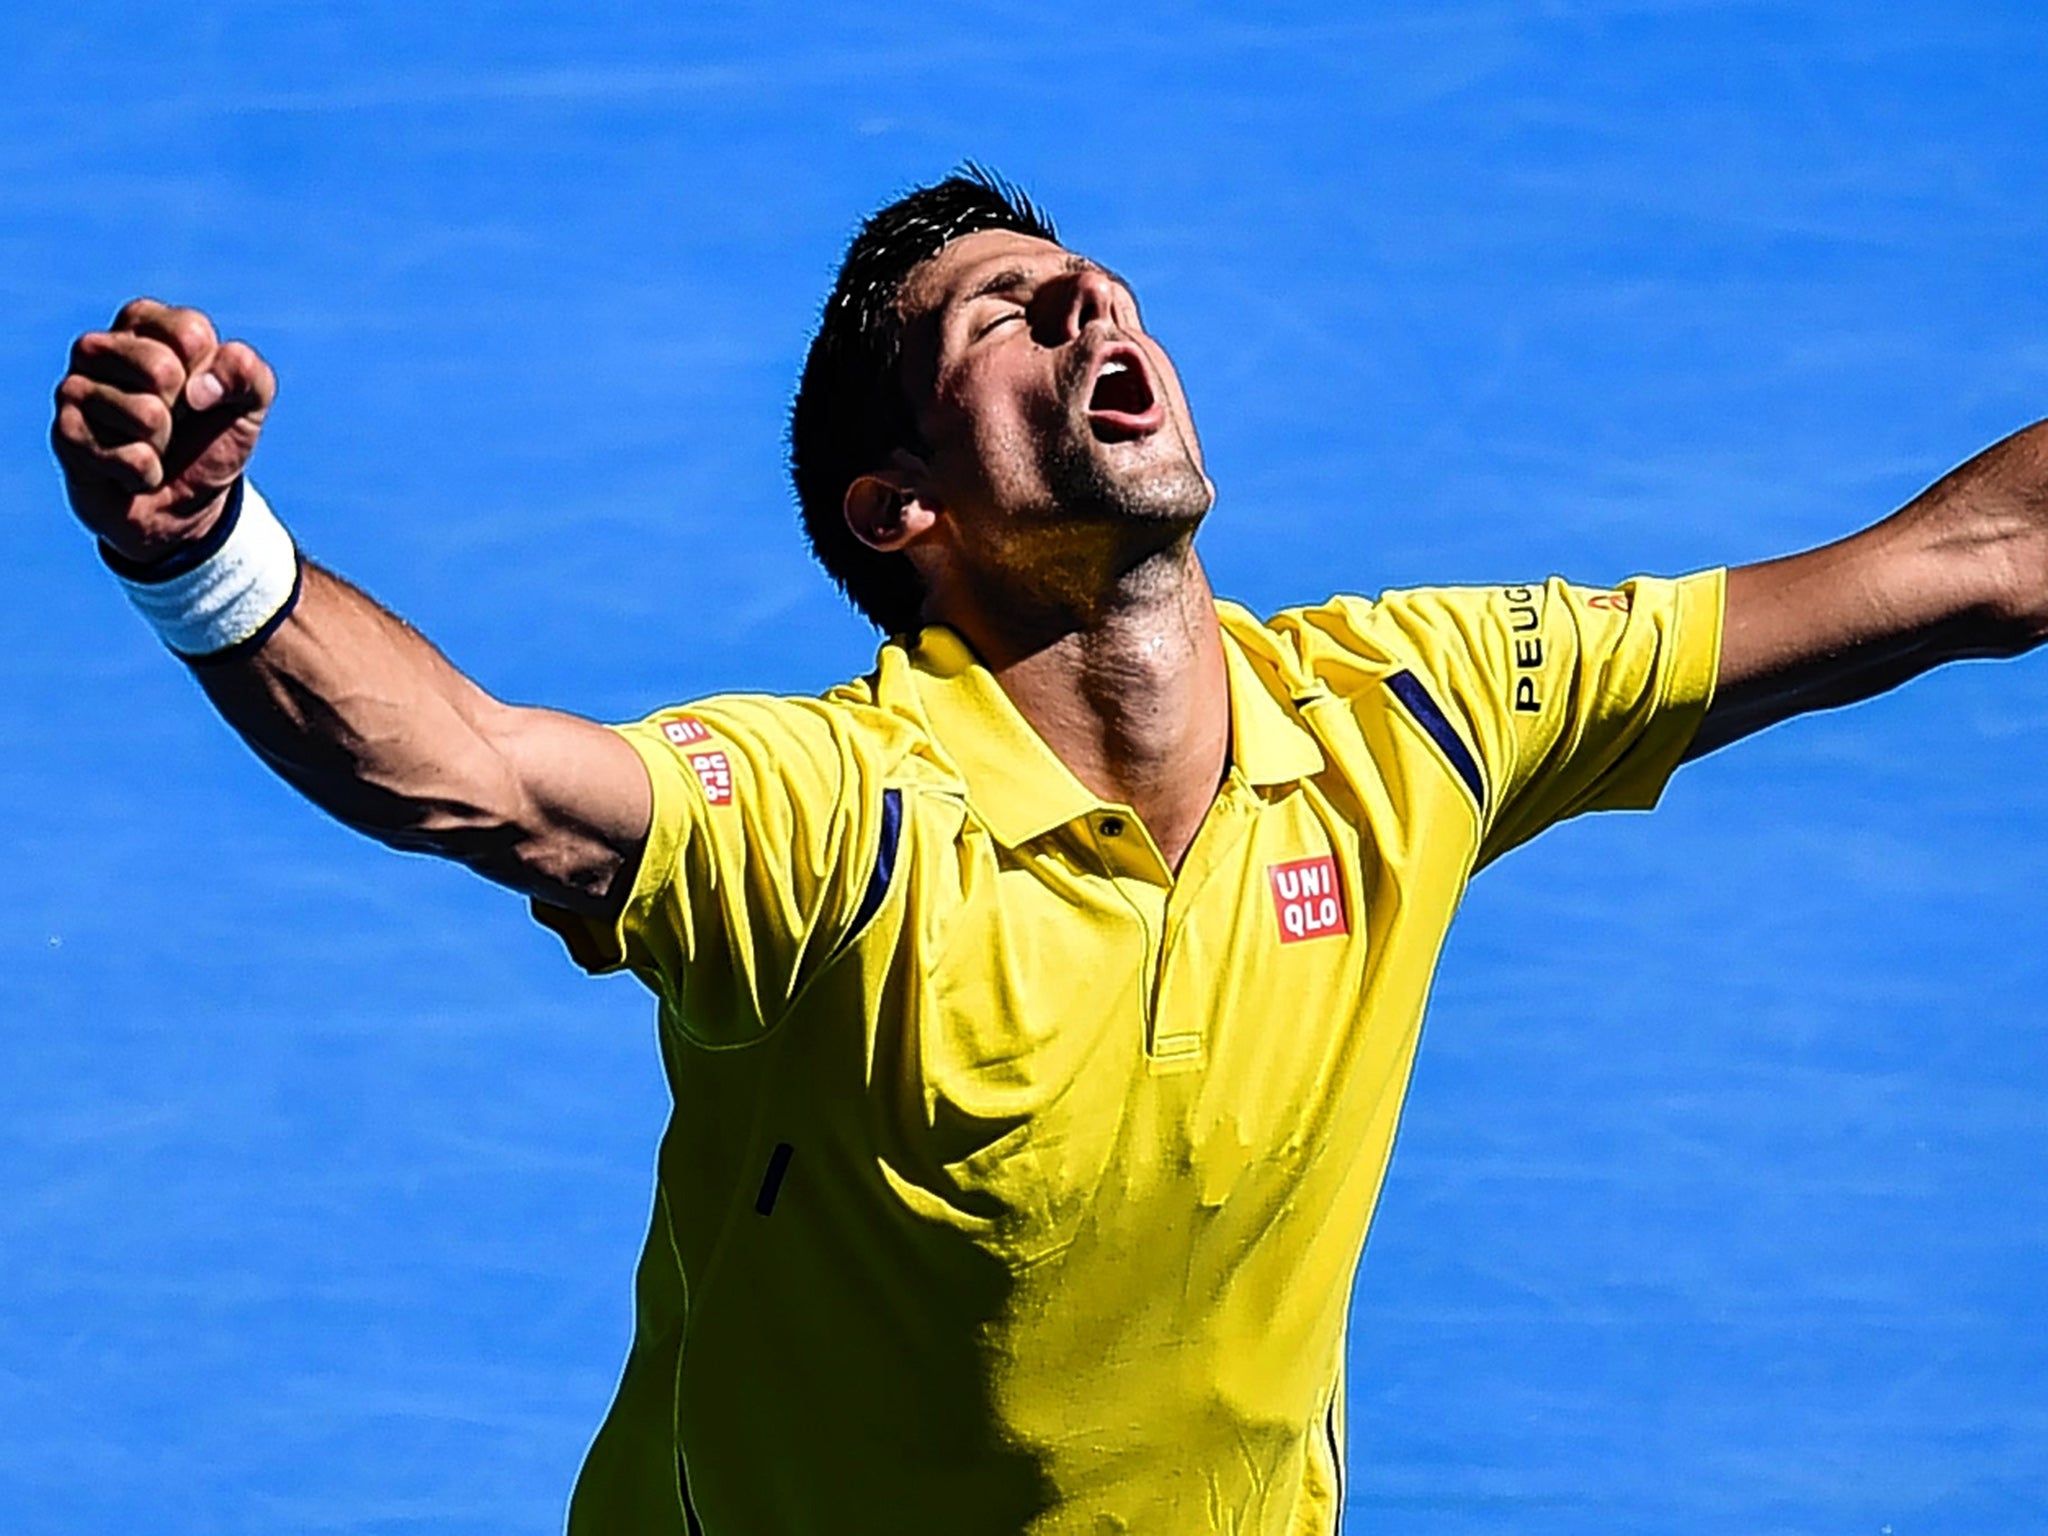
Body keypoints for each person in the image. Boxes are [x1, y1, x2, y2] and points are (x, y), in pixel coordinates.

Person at [49, 168, 2048, 1535]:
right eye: (1006, 313)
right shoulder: (842, 823)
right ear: (899, 506)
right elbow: (476, 773)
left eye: (1098, 283)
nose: (1093, 296)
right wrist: (204, 560)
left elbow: (1971, 560)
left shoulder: (1411, 710)